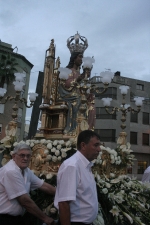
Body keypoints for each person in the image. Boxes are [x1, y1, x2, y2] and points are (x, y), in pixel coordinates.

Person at [0, 143, 56, 225]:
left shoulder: (26, 170)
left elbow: (44, 186)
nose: (25, 158)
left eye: (28, 156)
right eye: (22, 155)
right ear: (14, 156)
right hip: (4, 219)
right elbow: (24, 200)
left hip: (16, 218)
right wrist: (46, 219)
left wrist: (63, 195)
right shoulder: (11, 171)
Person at [54, 130, 101, 225]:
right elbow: (63, 203)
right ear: (83, 145)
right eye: (96, 145)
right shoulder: (72, 166)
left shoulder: (85, 165)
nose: (99, 149)